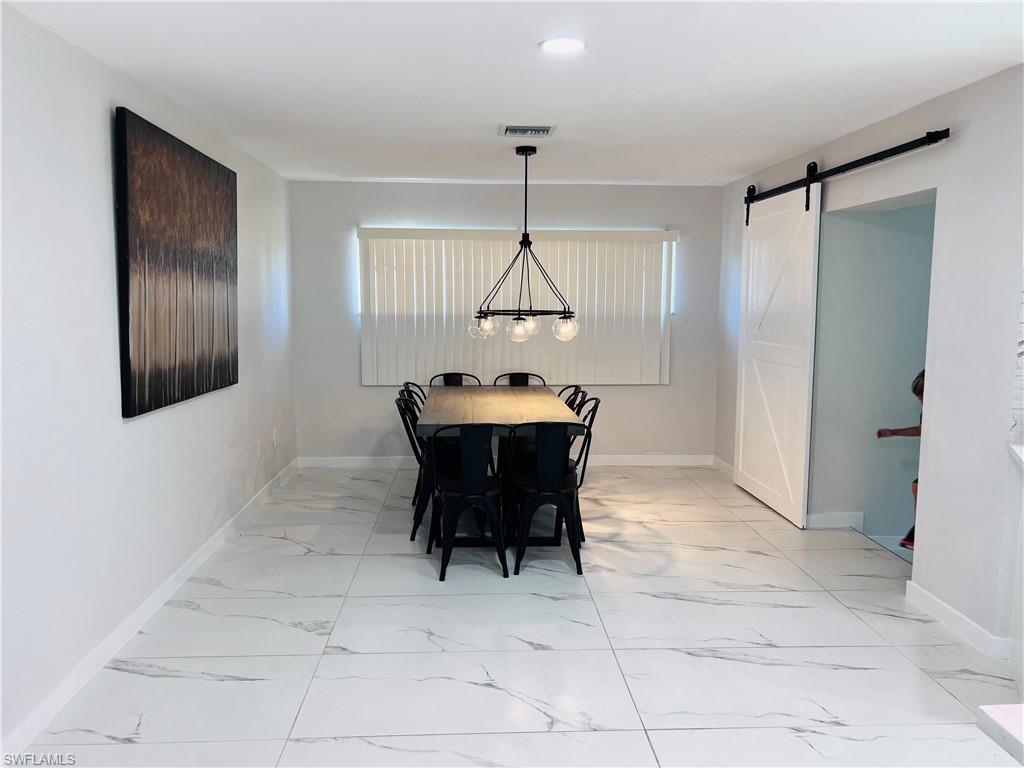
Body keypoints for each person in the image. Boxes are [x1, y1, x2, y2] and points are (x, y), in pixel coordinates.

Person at [877, 369, 925, 549]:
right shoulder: (927, 410)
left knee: (918, 486)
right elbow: (921, 430)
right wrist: (894, 432)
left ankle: (919, 531)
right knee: (917, 486)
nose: (919, 400)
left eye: (922, 396)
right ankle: (919, 530)